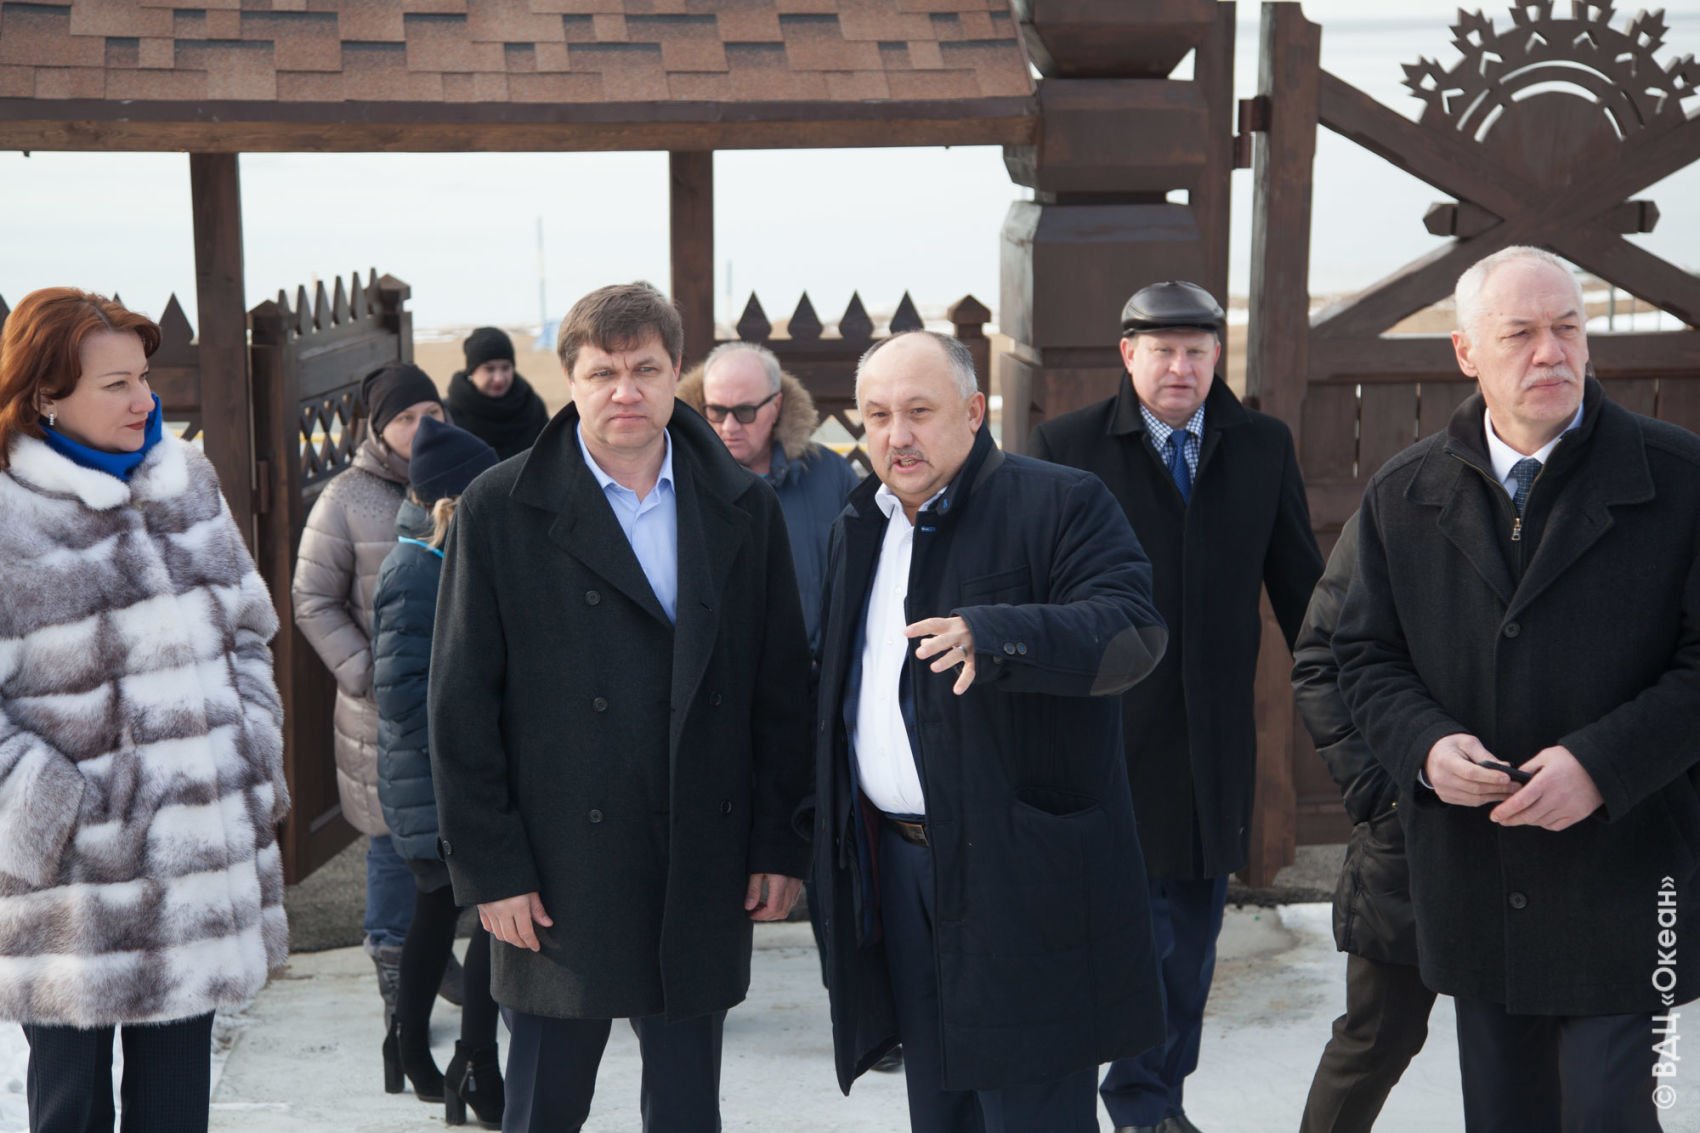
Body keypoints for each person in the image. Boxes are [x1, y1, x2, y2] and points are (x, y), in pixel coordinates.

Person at [428, 282, 812, 1132]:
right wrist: (493, 871)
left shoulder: (743, 506)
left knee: (687, 1109)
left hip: (701, 854)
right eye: (603, 372)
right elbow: (460, 705)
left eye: (645, 369)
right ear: (570, 379)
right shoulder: (499, 508)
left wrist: (779, 843)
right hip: (558, 871)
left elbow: (781, 688)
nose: (625, 391)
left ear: (678, 373)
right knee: (545, 1107)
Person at [1334, 245, 1700, 1132]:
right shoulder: (1404, 492)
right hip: (1478, 878)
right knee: (1506, 1116)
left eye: (1568, 327)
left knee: (1610, 1111)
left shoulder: (1681, 477)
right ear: (1466, 351)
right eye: (1521, 333)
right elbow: (1364, 653)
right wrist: (1424, 746)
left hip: (1630, 873)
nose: (1552, 352)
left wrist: (1602, 765)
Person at [812, 330, 1170, 1131]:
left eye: (919, 411)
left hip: (1022, 874)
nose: (897, 435)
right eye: (877, 415)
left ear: (974, 412)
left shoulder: (1059, 501)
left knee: (1033, 1109)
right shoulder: (859, 524)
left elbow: (1132, 632)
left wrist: (996, 633)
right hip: (899, 865)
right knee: (939, 1109)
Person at [1030, 281, 1323, 1133]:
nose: (1180, 367)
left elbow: (1303, 592)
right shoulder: (1068, 445)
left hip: (1210, 743)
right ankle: (1091, 1104)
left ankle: (1153, 1104)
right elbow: (1035, 591)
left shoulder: (1260, 445)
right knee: (1105, 939)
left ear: (1218, 355)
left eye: (1197, 350)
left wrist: (1353, 701)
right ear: (1129, 354)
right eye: (1162, 350)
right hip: (1103, 737)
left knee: (1188, 944)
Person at [0, 288, 289, 1132]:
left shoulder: (185, 481)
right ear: (46, 395)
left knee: (176, 1109)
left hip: (195, 867)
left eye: (145, 378)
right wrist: (49, 804)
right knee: (72, 1107)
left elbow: (247, 629)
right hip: (72, 882)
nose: (143, 401)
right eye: (116, 384)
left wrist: (250, 740)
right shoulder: (9, 512)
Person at [292, 361, 456, 1018]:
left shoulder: (462, 476)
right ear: (378, 429)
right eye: (406, 418)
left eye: (431, 414)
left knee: (451, 832)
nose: (422, 428)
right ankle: (393, 960)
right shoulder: (348, 498)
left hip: (456, 702)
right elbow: (312, 598)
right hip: (380, 712)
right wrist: (367, 673)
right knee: (393, 840)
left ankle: (438, 953)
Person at [372, 417, 505, 1126]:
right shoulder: (416, 570)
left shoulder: (445, 558)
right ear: (455, 499)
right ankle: (472, 1065)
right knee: (489, 911)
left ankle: (409, 1047)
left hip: (439, 777)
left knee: (439, 912)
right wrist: (470, 741)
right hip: (432, 782)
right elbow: (398, 693)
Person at [1293, 513, 1435, 1132]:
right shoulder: (1403, 498)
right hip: (1414, 825)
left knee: (1545, 1051)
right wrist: (1381, 790)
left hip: (1558, 826)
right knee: (1378, 1036)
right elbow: (1320, 655)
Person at [679, 341, 859, 656]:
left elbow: (860, 583)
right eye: (716, 411)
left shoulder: (831, 476)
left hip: (810, 675)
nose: (729, 427)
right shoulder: (675, 478)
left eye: (745, 412)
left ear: (776, 406)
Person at [445, 327, 548, 460]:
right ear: (472, 371)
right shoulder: (449, 414)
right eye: (489, 369)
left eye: (505, 368)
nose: (499, 378)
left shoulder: (531, 405)